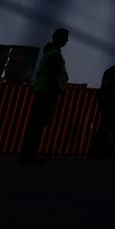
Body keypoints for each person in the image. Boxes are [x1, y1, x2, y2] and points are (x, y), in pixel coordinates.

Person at [20, 27, 69, 163]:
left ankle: (27, 155)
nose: (67, 40)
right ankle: (29, 156)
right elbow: (53, 76)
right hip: (47, 94)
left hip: (42, 92)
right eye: (65, 38)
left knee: (35, 125)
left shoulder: (50, 52)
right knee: (38, 125)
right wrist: (57, 90)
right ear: (60, 38)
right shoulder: (55, 55)